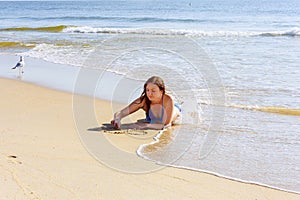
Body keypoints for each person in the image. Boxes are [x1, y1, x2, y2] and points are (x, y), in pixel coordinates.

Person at [111, 76, 181, 130]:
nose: (150, 94)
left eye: (153, 91)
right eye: (147, 90)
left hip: (173, 115)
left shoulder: (168, 100)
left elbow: (166, 125)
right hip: (153, 119)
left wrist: (146, 125)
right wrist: (117, 119)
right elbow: (121, 112)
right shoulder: (144, 101)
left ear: (161, 91)